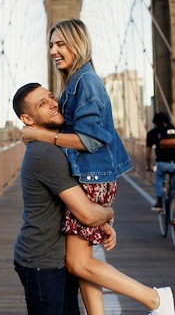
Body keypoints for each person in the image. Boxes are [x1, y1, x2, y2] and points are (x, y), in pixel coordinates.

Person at [21, 18, 175, 315]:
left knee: (77, 262)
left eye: (61, 43)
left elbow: (90, 139)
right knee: (84, 264)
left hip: (93, 175)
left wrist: (40, 134)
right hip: (90, 175)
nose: (54, 50)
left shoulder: (86, 83)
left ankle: (155, 299)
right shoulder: (75, 81)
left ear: (78, 44)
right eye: (51, 44)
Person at [13, 82, 116, 315]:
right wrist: (108, 214)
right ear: (28, 119)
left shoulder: (55, 145)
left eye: (50, 97)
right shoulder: (46, 153)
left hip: (59, 258)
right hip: (42, 262)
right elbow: (88, 214)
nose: (53, 104)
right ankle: (154, 299)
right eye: (42, 104)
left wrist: (104, 222)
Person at [146, 112, 175, 236]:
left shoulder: (153, 133)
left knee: (159, 174)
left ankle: (159, 201)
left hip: (163, 164)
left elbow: (147, 154)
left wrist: (148, 166)